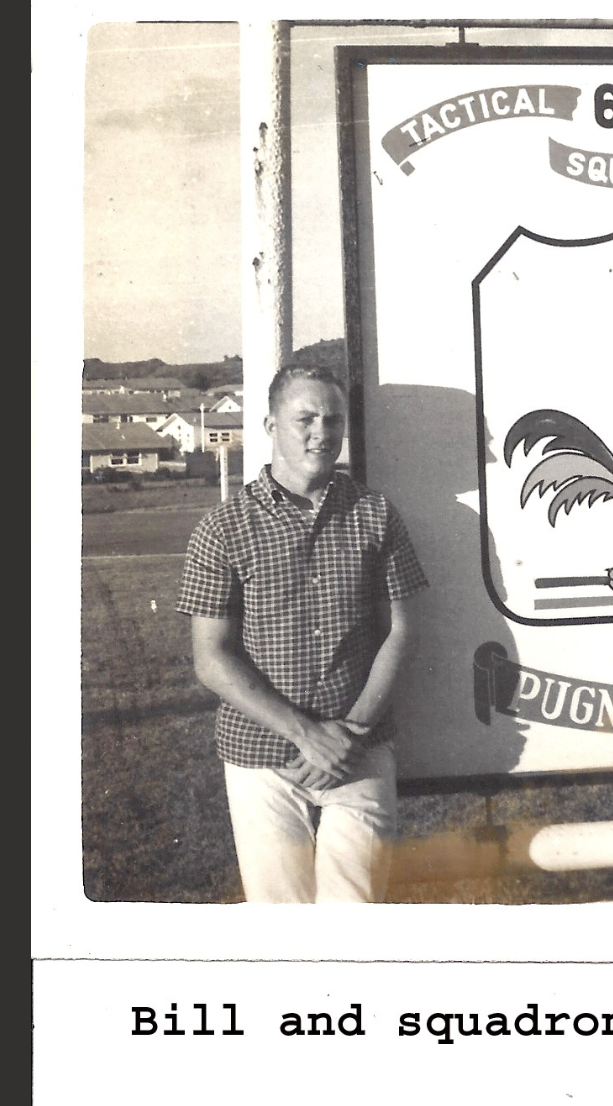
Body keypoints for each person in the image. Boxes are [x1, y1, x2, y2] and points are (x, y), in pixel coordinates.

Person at [176, 363, 428, 902]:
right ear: (270, 425)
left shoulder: (375, 513)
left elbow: (400, 632)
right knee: (281, 924)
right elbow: (211, 658)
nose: (321, 432)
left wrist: (350, 734)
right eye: (305, 418)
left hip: (359, 750)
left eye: (332, 420)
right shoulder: (222, 528)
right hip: (261, 755)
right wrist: (306, 735)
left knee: (356, 917)